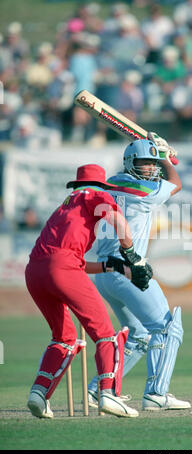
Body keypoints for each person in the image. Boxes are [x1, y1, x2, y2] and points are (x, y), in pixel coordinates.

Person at [26, 163, 153, 419]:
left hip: (35, 271)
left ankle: (38, 394)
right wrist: (133, 256)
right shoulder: (95, 194)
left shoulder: (65, 206)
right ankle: (108, 394)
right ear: (100, 185)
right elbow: (117, 219)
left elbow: (70, 262)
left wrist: (113, 266)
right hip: (63, 269)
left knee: (64, 337)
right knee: (106, 333)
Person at [87, 135, 192, 411]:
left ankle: (99, 390)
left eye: (151, 162)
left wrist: (160, 155)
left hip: (104, 273)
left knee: (140, 336)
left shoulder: (110, 183)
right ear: (132, 163)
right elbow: (176, 184)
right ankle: (157, 393)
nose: (150, 167)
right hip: (128, 270)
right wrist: (167, 157)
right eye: (145, 162)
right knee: (168, 328)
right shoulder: (144, 191)